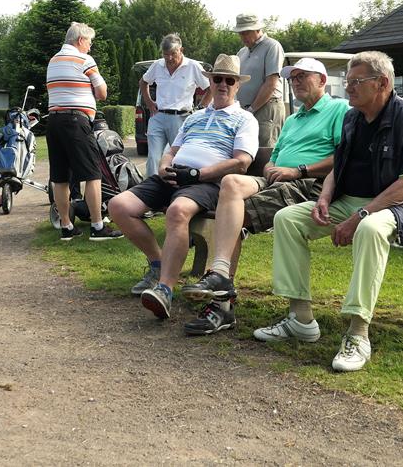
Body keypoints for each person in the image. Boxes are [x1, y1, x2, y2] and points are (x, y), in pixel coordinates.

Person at [254, 51, 403, 372]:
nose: (348, 88)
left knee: (369, 229)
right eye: (348, 81)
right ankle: (300, 318)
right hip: (350, 201)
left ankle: (358, 332)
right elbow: (338, 168)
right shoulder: (352, 118)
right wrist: (324, 198)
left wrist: (359, 216)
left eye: (356, 82)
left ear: (382, 83)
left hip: (399, 205)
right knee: (288, 219)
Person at [177, 57, 350, 336]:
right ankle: (220, 276)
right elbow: (275, 156)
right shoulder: (292, 119)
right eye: (292, 78)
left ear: (322, 80)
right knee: (231, 182)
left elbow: (344, 158)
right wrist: (270, 167)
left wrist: (298, 170)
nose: (295, 82)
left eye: (302, 76)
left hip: (308, 183)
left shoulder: (339, 110)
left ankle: (221, 304)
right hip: (276, 179)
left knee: (233, 218)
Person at [109, 54, 258, 320]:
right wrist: (163, 166)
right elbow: (172, 150)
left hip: (206, 183)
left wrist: (198, 174)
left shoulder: (244, 119)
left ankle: (165, 289)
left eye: (229, 81)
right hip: (173, 175)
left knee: (177, 211)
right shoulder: (194, 117)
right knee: (118, 206)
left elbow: (242, 162)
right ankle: (158, 262)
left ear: (237, 85)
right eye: (218, 79)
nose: (222, 85)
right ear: (210, 83)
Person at [45, 22, 123, 241]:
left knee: (60, 177)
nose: (90, 46)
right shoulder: (84, 60)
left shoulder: (53, 60)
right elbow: (102, 92)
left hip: (53, 121)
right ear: (80, 40)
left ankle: (66, 226)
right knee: (92, 173)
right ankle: (98, 226)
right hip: (76, 121)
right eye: (89, 41)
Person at [140, 33, 212, 177]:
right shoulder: (158, 65)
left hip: (181, 118)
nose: (169, 58)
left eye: (173, 53)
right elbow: (143, 82)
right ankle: (151, 187)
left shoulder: (193, 66)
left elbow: (210, 88)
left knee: (179, 157)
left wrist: (201, 108)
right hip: (158, 116)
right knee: (153, 157)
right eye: (166, 54)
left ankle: (178, 186)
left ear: (181, 50)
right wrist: (149, 102)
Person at [234, 14, 286, 147]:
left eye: (246, 32)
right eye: (240, 33)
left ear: (257, 29)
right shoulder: (242, 52)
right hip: (245, 111)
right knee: (244, 149)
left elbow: (271, 84)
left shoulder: (272, 46)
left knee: (264, 150)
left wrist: (251, 109)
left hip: (266, 109)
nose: (243, 37)